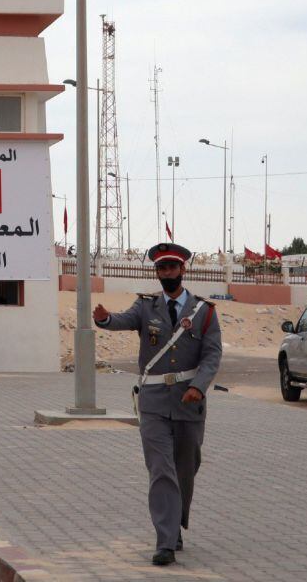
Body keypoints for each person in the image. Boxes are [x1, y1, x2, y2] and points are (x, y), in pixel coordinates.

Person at [92, 242, 222, 567]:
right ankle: (165, 540)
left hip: (189, 403)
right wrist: (106, 320)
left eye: (171, 268)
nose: (166, 273)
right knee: (161, 469)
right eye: (161, 269)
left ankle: (176, 522)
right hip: (152, 403)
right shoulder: (146, 307)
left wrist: (199, 387)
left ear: (182, 270)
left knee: (186, 469)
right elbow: (122, 320)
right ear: (157, 273)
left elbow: (212, 355)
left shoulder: (204, 312)